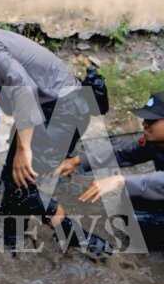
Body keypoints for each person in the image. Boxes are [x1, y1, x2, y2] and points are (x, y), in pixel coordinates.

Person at [0, 24, 108, 254]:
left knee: (23, 187)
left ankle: (76, 236)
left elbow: (24, 87)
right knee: (13, 181)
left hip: (62, 111)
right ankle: (11, 245)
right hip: (44, 108)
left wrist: (24, 148)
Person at [57, 91, 164, 249]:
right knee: (127, 205)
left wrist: (121, 180)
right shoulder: (157, 142)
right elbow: (125, 152)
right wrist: (78, 161)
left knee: (143, 225)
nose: (145, 124)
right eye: (145, 118)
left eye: (152, 120)